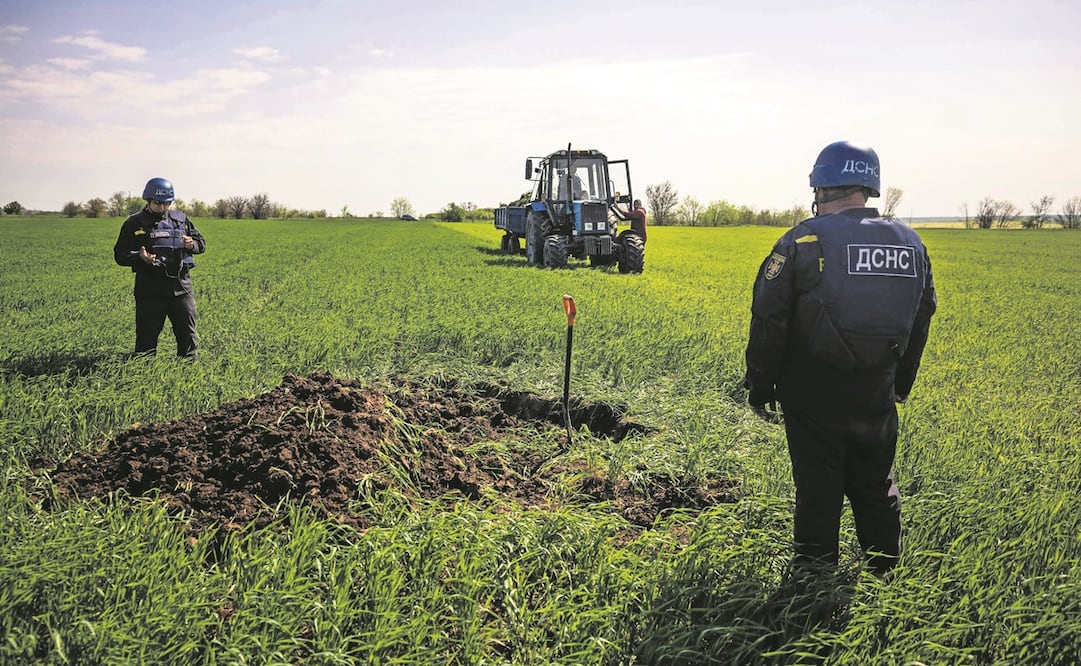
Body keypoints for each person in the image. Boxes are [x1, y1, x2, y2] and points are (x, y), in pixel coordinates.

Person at [743, 141, 936, 576]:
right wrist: (900, 383)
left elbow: (769, 320)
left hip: (814, 395)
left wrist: (760, 385)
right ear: (869, 185)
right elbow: (922, 317)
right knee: (875, 481)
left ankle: (813, 579)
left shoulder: (803, 240)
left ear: (821, 185)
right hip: (877, 393)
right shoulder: (911, 243)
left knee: (818, 485)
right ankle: (885, 571)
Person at [113, 177, 206, 359]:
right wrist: (139, 257)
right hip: (150, 291)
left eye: (167, 203)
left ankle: (189, 374)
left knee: (188, 337)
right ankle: (144, 376)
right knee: (146, 342)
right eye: (158, 203)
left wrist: (191, 244)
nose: (163, 207)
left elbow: (201, 244)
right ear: (148, 200)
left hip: (181, 289)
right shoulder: (134, 223)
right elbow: (120, 254)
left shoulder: (181, 220)